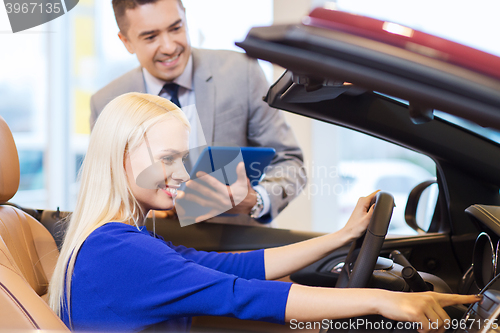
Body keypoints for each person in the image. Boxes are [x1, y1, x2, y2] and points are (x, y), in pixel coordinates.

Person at [49, 93, 480, 332]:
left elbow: (237, 268)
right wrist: (382, 301)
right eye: (167, 158)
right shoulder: (117, 251)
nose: (182, 173)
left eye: (184, 158)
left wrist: (342, 237)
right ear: (119, 154)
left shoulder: (121, 240)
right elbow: (238, 293)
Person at [89, 0, 306, 224]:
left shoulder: (242, 73)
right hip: (152, 248)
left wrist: (257, 200)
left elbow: (290, 162)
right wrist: (138, 207)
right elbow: (105, 189)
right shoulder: (107, 102)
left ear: (185, 18)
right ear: (126, 42)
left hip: (235, 246)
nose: (169, 47)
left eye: (176, 28)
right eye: (150, 37)